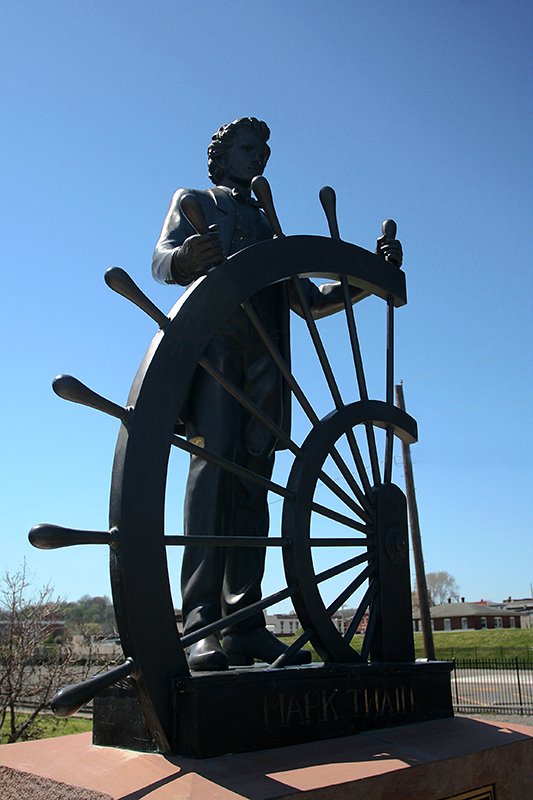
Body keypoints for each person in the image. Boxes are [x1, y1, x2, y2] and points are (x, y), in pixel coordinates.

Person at [152, 118, 402, 671]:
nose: (258, 157)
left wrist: (370, 278)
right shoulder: (194, 200)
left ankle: (244, 623)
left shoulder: (268, 223)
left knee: (253, 486)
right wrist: (185, 259)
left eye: (264, 150)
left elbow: (309, 301)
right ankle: (200, 625)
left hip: (267, 365)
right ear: (222, 155)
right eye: (248, 148)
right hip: (217, 357)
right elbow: (161, 260)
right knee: (211, 478)